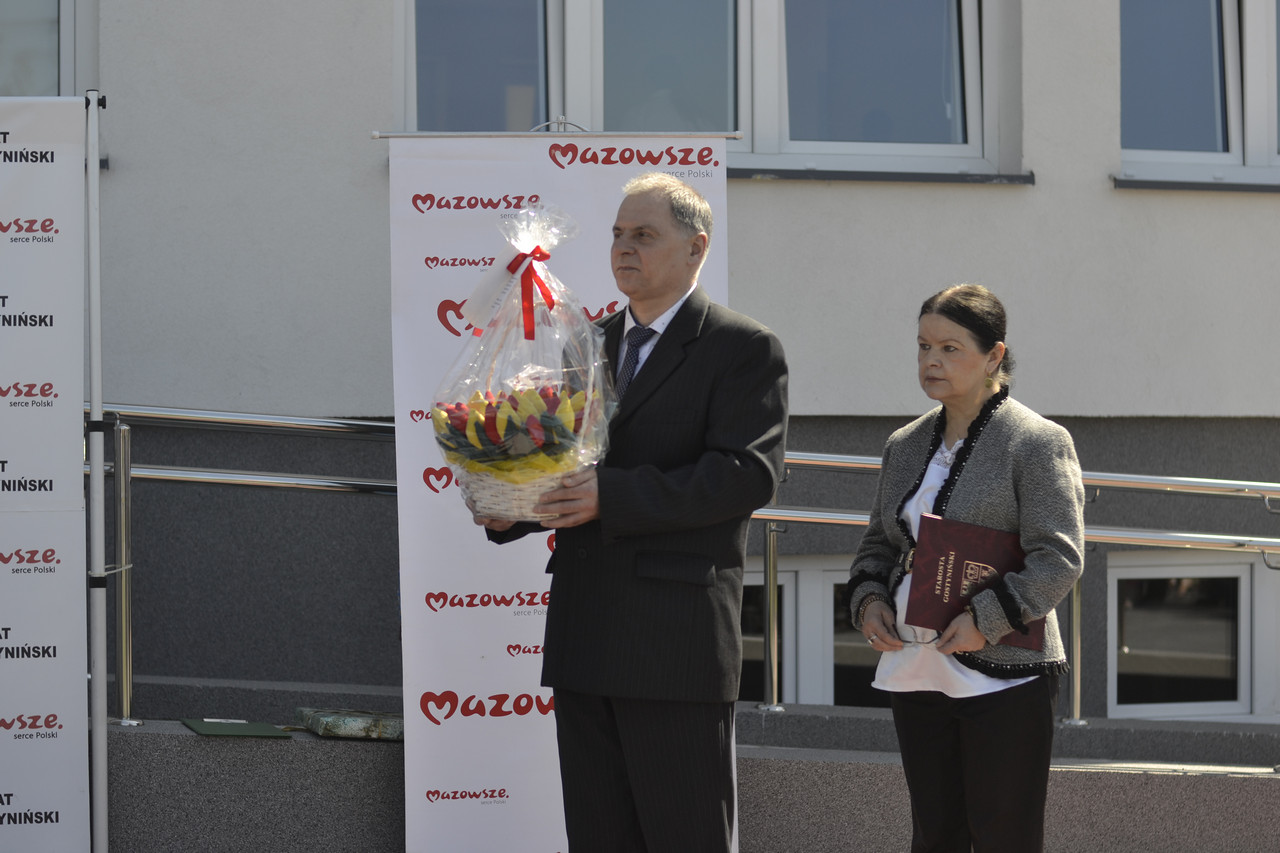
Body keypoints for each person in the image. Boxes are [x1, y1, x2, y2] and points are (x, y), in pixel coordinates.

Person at [476, 172, 789, 853]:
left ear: (696, 247)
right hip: (584, 634)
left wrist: (610, 496)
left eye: (644, 235)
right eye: (618, 234)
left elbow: (746, 474)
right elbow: (565, 464)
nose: (624, 248)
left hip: (672, 646)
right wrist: (512, 506)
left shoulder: (742, 347)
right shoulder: (584, 343)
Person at [845, 284, 1084, 853]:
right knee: (935, 837)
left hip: (1006, 675)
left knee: (1005, 838)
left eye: (950, 348)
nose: (932, 360)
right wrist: (869, 601)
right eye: (923, 346)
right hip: (915, 668)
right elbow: (878, 543)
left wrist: (984, 620)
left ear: (994, 355)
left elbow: (1059, 558)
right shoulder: (904, 443)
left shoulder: (1037, 441)